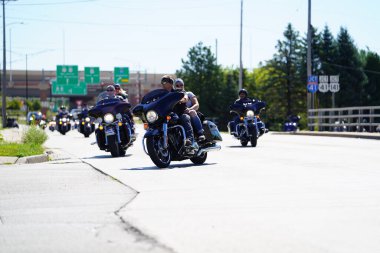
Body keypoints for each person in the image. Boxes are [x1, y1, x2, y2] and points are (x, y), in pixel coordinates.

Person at [161, 75, 195, 147]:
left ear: (171, 83)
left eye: (166, 82)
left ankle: (190, 140)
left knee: (185, 118)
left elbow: (185, 97)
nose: (164, 84)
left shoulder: (178, 91)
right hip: (168, 114)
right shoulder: (161, 94)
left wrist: (181, 100)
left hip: (180, 113)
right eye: (163, 83)